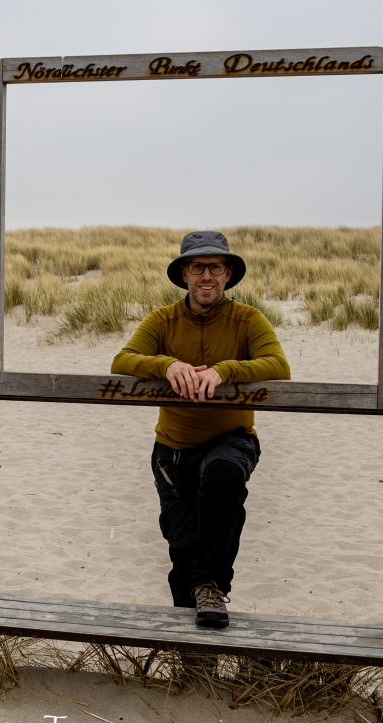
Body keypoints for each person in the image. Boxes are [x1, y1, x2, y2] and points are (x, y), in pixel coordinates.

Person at [111, 230, 290, 628]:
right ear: (185, 274)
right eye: (198, 267)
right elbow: (122, 361)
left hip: (234, 440)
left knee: (223, 473)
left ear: (227, 274)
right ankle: (190, 644)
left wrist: (225, 371)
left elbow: (278, 366)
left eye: (215, 267)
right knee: (183, 545)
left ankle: (212, 586)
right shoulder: (162, 320)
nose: (206, 276)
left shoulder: (248, 320)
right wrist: (166, 364)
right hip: (172, 448)